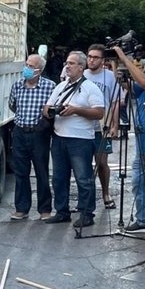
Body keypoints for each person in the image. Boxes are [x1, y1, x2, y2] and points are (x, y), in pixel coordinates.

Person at [44, 51, 105, 228]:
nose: (67, 66)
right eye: (66, 63)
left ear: (81, 67)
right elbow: (47, 106)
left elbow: (99, 112)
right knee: (59, 178)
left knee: (83, 178)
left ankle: (87, 214)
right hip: (59, 137)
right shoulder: (61, 86)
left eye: (71, 63)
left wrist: (76, 110)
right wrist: (49, 111)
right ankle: (62, 211)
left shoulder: (90, 88)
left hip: (80, 140)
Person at [8, 54, 56, 221]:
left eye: (31, 66)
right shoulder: (17, 86)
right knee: (21, 172)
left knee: (41, 171)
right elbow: (13, 106)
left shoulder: (50, 87)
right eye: (26, 64)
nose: (26, 69)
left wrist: (43, 124)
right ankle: (21, 208)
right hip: (20, 131)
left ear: (39, 70)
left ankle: (45, 209)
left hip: (39, 133)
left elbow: (52, 110)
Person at [113, 46, 145, 232]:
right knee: (138, 184)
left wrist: (124, 57)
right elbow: (129, 86)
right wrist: (116, 64)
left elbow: (143, 82)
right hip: (142, 147)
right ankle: (143, 219)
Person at [85, 44, 119, 210]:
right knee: (83, 164)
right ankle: (86, 199)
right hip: (83, 127)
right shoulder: (82, 74)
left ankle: (106, 193)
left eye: (95, 57)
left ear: (103, 60)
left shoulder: (110, 76)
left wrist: (115, 125)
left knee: (102, 162)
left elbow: (115, 101)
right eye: (89, 56)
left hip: (102, 126)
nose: (91, 60)